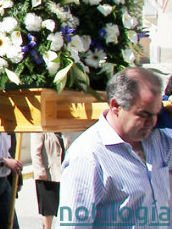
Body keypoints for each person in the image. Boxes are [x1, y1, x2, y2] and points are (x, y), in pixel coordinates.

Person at [60, 68, 172, 227]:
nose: (151, 122)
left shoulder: (158, 140)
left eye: (155, 114)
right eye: (142, 114)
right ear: (116, 106)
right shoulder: (87, 156)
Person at [31, 132, 67, 229]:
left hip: (63, 175)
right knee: (48, 212)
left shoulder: (66, 128)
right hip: (47, 176)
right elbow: (35, 152)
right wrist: (40, 172)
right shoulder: (41, 129)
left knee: (65, 210)